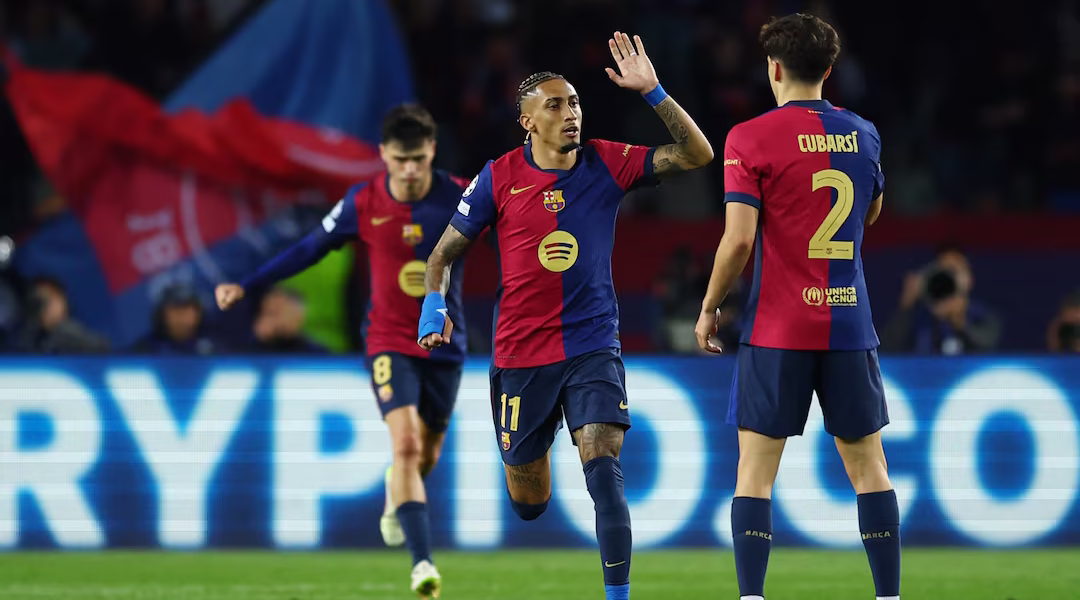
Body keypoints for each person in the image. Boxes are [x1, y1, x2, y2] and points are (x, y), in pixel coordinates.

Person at [419, 32, 713, 600]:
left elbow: (699, 155)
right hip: (521, 356)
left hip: (592, 347)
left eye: (575, 101)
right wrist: (435, 309)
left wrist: (653, 92)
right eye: (554, 104)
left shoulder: (609, 161)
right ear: (527, 121)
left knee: (603, 466)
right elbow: (441, 258)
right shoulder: (498, 177)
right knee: (530, 504)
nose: (570, 112)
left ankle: (618, 595)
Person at [216, 104, 469, 599]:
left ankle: (397, 494)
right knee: (406, 445)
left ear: (432, 151)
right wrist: (247, 286)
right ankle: (423, 567)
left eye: (418, 158)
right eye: (401, 159)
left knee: (426, 455)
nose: (411, 170)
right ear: (384, 156)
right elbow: (308, 248)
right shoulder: (363, 201)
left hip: (445, 344)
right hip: (389, 340)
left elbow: (517, 235)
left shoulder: (462, 196)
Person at [693, 14, 900, 600]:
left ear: (774, 68)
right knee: (869, 468)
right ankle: (889, 596)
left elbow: (738, 240)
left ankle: (753, 597)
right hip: (849, 322)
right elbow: (871, 212)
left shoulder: (749, 137)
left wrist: (710, 306)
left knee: (755, 474)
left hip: (778, 325)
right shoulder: (864, 133)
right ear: (828, 71)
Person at [880, 245, 1001, 354]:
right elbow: (886, 351)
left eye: (953, 272)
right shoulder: (921, 315)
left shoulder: (982, 315)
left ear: (969, 279)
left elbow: (990, 348)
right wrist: (906, 306)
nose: (948, 279)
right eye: (943, 271)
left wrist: (960, 324)